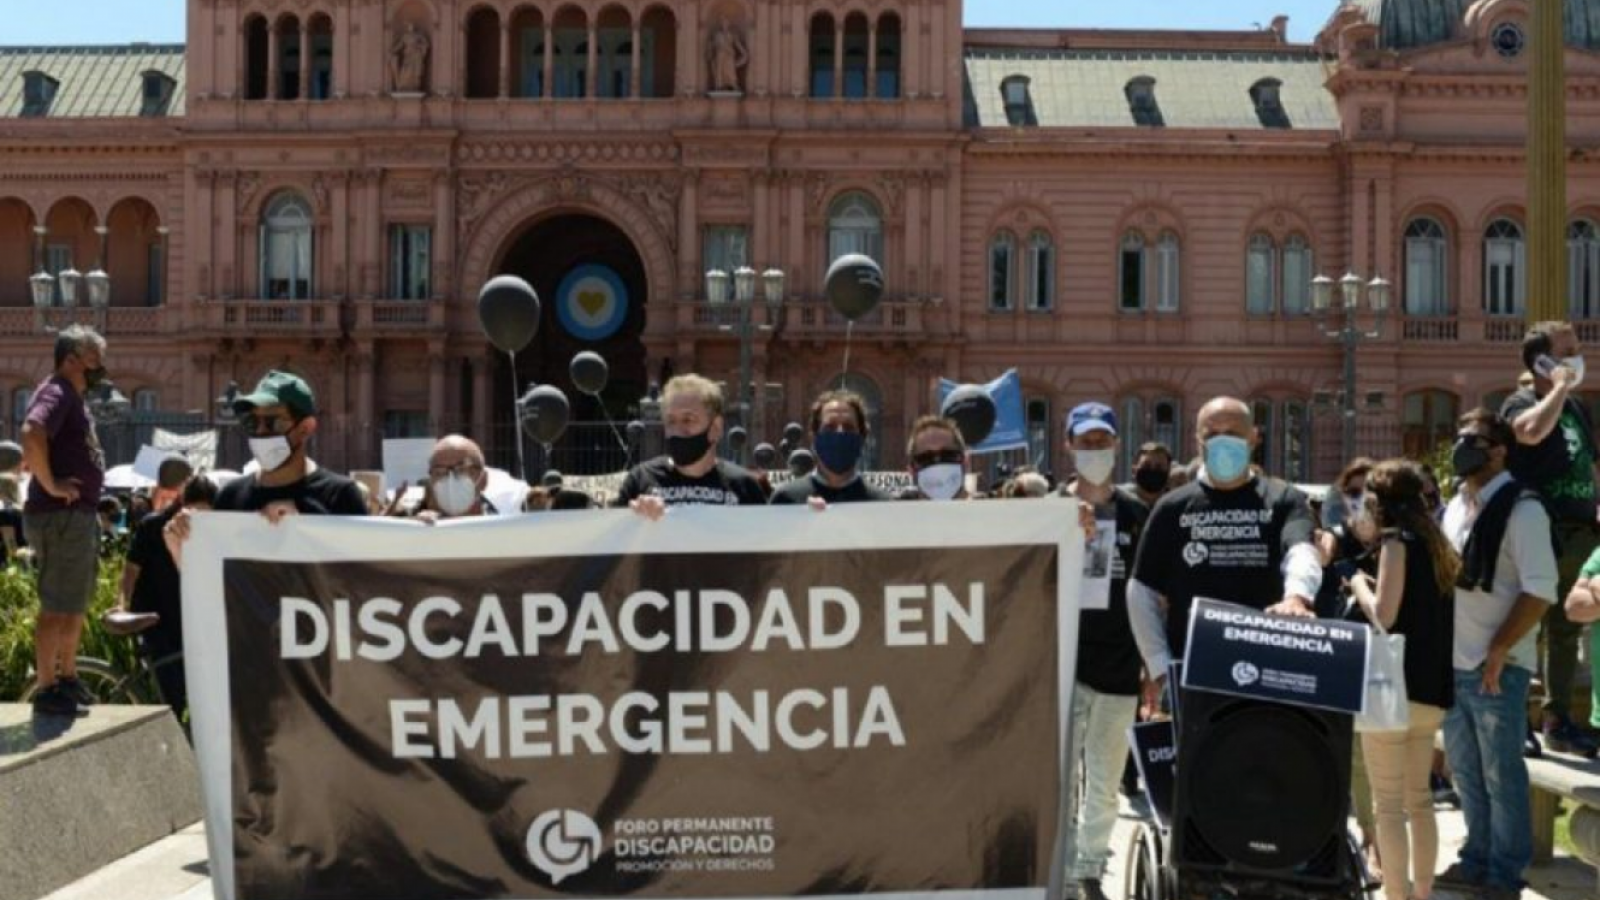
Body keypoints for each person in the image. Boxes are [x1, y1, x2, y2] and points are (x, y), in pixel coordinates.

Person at [1435, 409, 1558, 900]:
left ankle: (1505, 874)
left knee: (1501, 773)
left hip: (1496, 667)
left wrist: (1500, 649)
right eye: (1460, 435)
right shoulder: (1456, 506)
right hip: (1455, 662)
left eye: (1475, 439)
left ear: (1501, 449)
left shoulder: (1523, 508)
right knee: (1466, 770)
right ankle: (1476, 858)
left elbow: (1540, 591)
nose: (1463, 445)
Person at [1128, 397, 1322, 689]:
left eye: (1232, 433)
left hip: (1271, 667)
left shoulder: (1283, 499)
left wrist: (1297, 596)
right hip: (1193, 669)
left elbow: (1300, 550)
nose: (1222, 442)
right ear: (1198, 442)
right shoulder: (1172, 507)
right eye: (1212, 435)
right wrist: (1159, 665)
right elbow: (1141, 589)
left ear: (1254, 437)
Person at [1345, 461, 1458, 900]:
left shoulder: (1396, 543)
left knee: (1388, 805)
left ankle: (1397, 894)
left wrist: (1357, 584)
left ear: (1379, 501)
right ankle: (1423, 894)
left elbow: (1385, 616)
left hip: (1391, 685)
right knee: (1419, 799)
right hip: (1431, 685)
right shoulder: (1437, 543)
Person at [1059, 403, 1148, 900]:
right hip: (1064, 662)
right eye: (1085, 441)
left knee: (1106, 779)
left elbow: (1151, 593)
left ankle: (1089, 867)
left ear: (1116, 446)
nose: (1094, 450)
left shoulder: (1137, 512)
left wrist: (1152, 664)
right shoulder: (1051, 506)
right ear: (1068, 444)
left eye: (1102, 442)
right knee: (1063, 776)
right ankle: (1063, 868)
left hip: (1118, 665)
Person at [1500, 321, 1599, 755]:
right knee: (1526, 627)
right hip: (1541, 527)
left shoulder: (1577, 409)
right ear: (1542, 360)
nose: (1578, 356)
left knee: (1563, 630)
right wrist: (1556, 388)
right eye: (1568, 351)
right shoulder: (1521, 402)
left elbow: (1590, 463)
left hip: (1578, 532)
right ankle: (1516, 718)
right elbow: (1530, 432)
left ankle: (1558, 720)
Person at [164, 371, 367, 566]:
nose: (261, 432)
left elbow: (362, 580)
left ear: (305, 428)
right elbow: (217, 584)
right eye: (252, 423)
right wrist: (181, 553)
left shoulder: (340, 495)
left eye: (273, 423)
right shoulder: (230, 496)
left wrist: (304, 529)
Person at [22, 325, 110, 717]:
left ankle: (68, 678)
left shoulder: (72, 397)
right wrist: (51, 484)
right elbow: (32, 430)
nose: (100, 368)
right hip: (61, 516)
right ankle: (47, 687)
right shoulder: (56, 391)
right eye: (94, 359)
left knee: (73, 602)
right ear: (71, 358)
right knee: (57, 604)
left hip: (75, 515)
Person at [117, 474, 219, 719]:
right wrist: (121, 604)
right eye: (195, 511)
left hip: (188, 619)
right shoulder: (153, 525)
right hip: (157, 620)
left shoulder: (211, 531)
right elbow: (131, 569)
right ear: (183, 504)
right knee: (172, 692)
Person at [612, 375, 766, 518]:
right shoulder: (640, 479)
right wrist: (637, 517)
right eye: (671, 421)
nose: (677, 430)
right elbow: (613, 539)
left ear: (716, 428)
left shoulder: (745, 486)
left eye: (688, 420)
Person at [770, 391, 888, 505]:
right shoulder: (785, 499)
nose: (840, 433)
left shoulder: (883, 504)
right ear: (814, 436)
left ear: (862, 437)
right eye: (830, 427)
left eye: (848, 427)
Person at [409, 435, 496, 522]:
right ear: (431, 481)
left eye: (462, 470)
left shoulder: (502, 528)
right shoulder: (418, 527)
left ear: (484, 480)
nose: (450, 479)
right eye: (440, 472)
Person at [903, 416, 970, 501]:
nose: (938, 465)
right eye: (925, 458)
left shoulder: (989, 510)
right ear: (911, 470)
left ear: (966, 462)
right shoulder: (892, 513)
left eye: (947, 455)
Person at [1127, 441, 1173, 508]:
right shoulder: (1121, 500)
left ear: (1169, 472)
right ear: (1134, 470)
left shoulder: (1176, 504)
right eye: (1146, 465)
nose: (1152, 469)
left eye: (1159, 467)